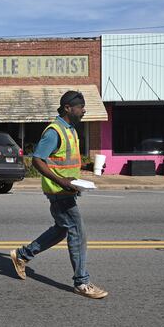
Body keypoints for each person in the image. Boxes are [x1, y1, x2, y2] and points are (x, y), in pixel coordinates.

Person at [10, 90, 108, 299]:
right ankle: (81, 282)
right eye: (80, 107)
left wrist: (76, 182)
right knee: (77, 233)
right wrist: (62, 181)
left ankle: (22, 255)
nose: (83, 110)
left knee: (62, 230)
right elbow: (37, 159)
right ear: (67, 108)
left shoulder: (70, 129)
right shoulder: (55, 131)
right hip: (58, 191)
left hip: (67, 190)